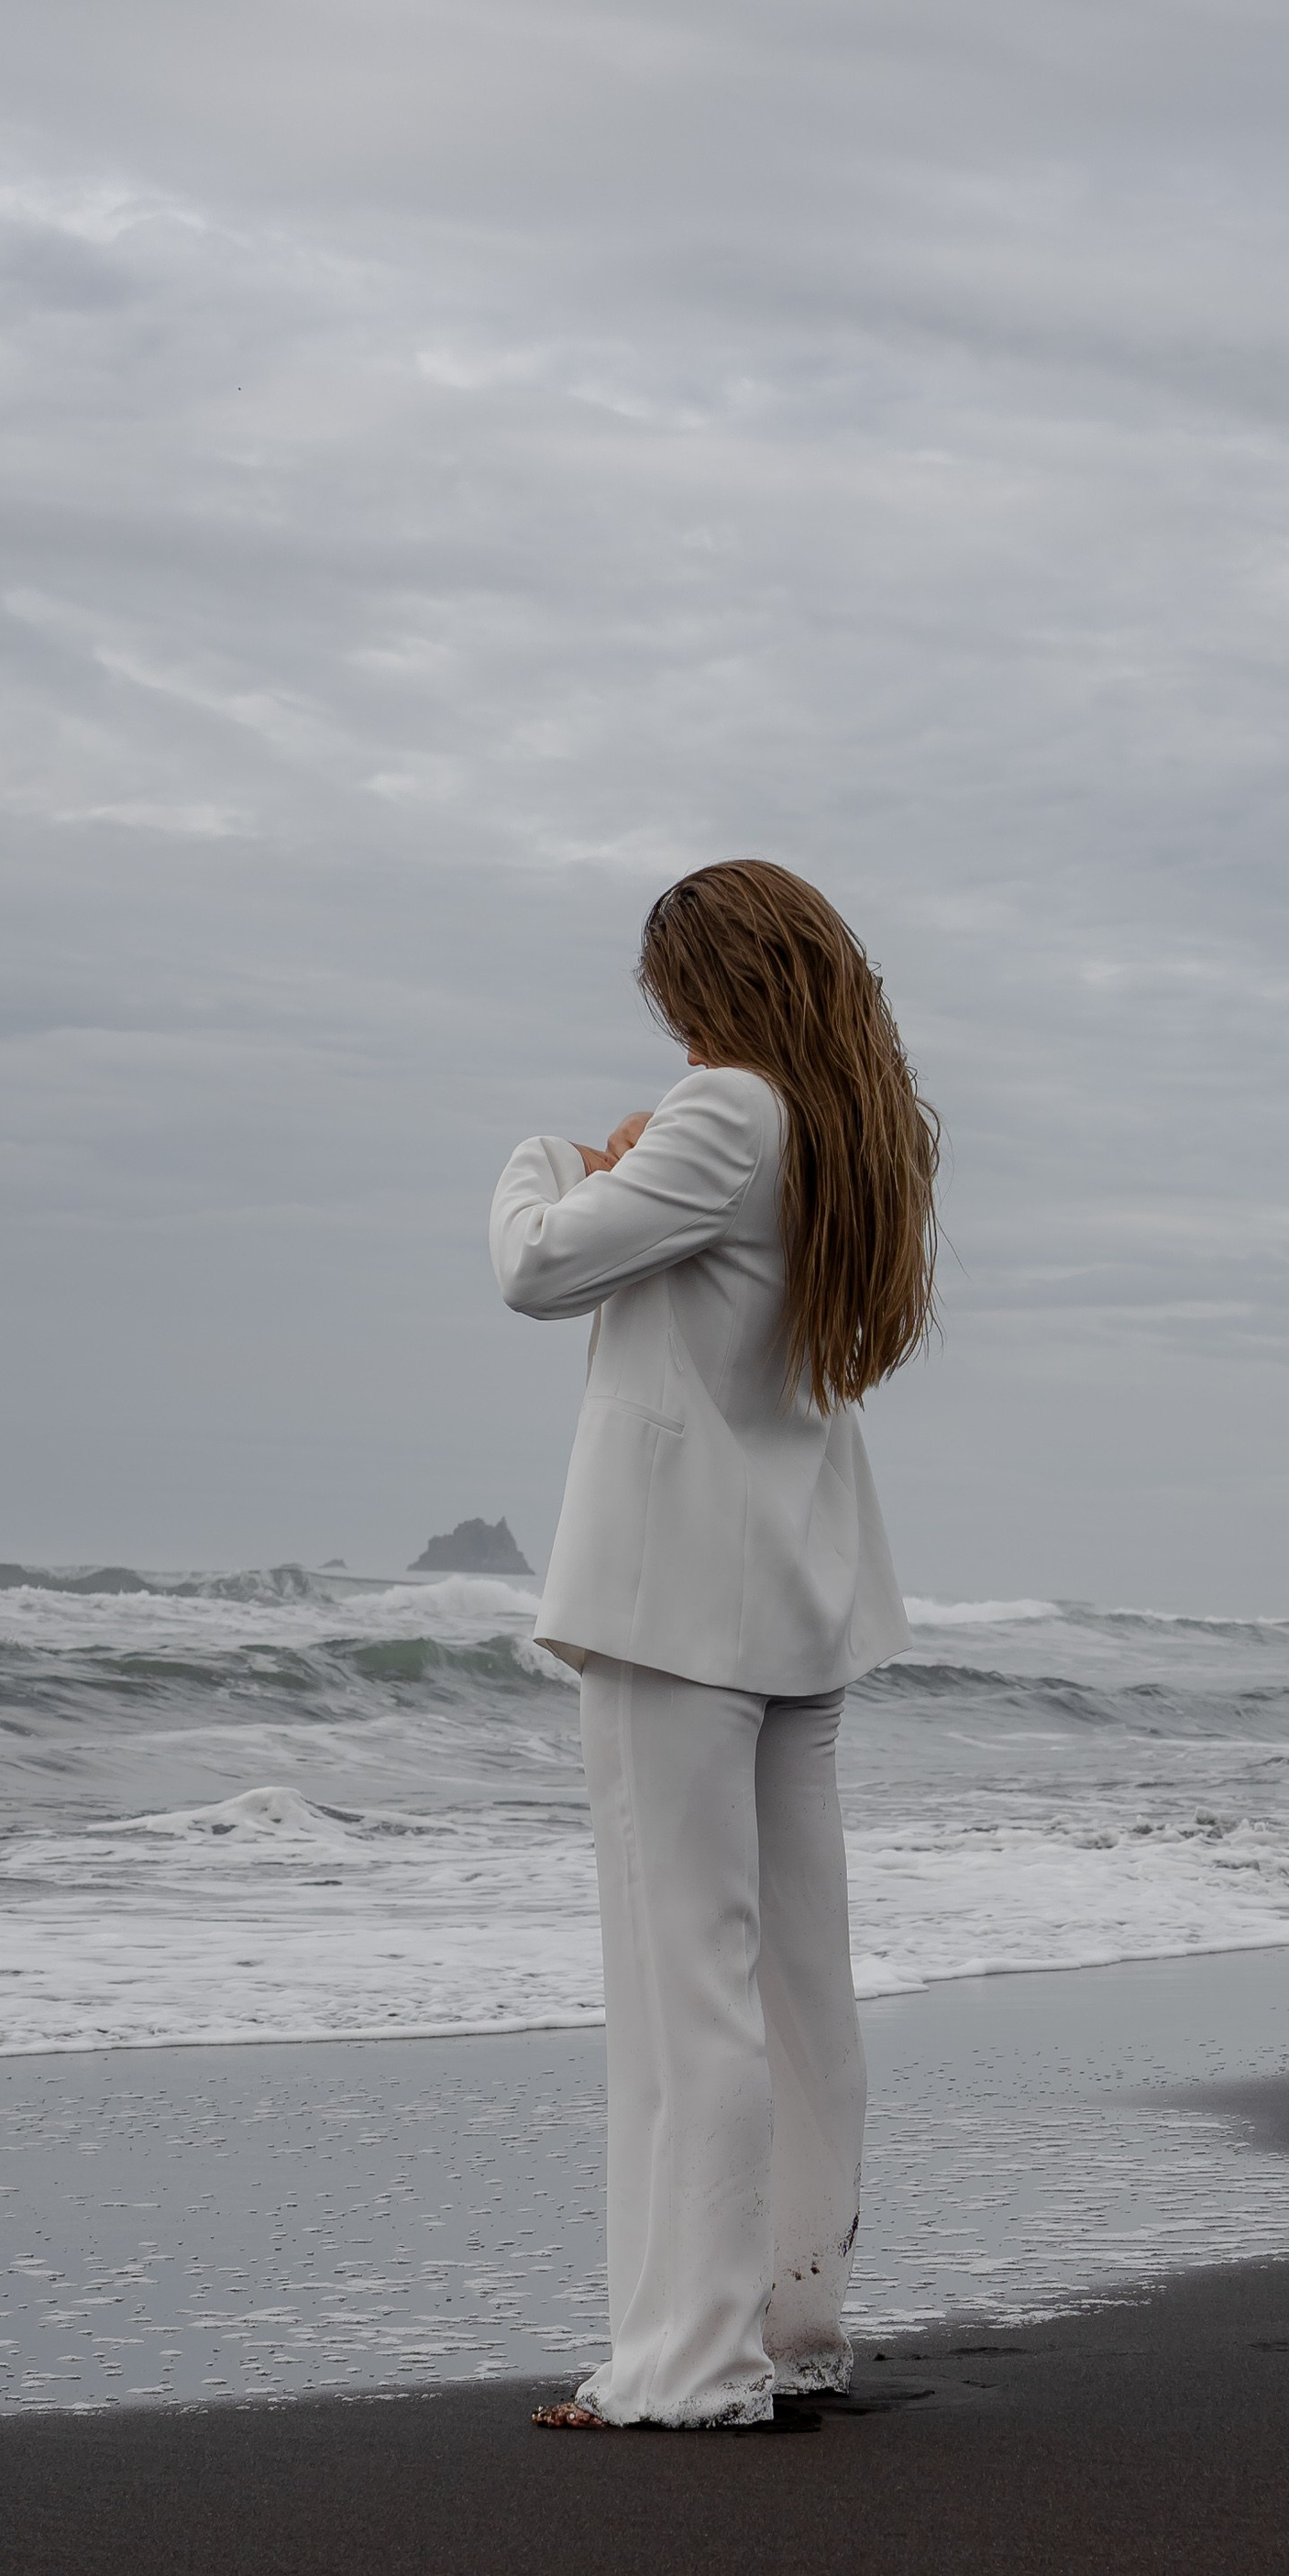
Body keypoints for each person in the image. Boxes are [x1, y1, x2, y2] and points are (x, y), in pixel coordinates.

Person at [490, 859, 940, 2428]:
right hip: (794, 1598)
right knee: (798, 1985)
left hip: (679, 1604)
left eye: (671, 995)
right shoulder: (846, 1133)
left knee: (688, 1987)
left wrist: (548, 1157)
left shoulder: (732, 1111)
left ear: (708, 984)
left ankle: (689, 2363)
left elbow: (537, 1265)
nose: (669, 1029)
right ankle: (791, 2321)